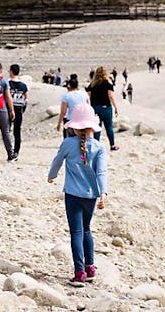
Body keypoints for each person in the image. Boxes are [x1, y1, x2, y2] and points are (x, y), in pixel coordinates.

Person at [47, 103, 108, 284]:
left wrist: (52, 175)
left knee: (76, 232)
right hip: (91, 196)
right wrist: (103, 193)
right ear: (92, 127)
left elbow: (57, 161)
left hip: (72, 195)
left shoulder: (67, 143)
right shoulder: (99, 147)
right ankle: (90, 267)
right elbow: (101, 172)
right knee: (86, 229)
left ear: (73, 126)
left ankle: (79, 272)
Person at [87, 66, 120, 151]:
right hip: (106, 108)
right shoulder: (108, 83)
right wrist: (115, 107)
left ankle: (96, 146)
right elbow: (111, 96)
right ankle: (112, 145)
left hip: (95, 108)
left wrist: (89, 107)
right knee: (109, 127)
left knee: (97, 127)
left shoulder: (92, 84)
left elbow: (88, 96)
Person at [8, 64, 28, 158]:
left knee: (7, 131)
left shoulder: (8, 84)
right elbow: (26, 99)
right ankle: (16, 151)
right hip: (19, 110)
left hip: (8, 109)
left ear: (11, 72)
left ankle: (10, 150)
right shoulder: (23, 86)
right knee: (17, 131)